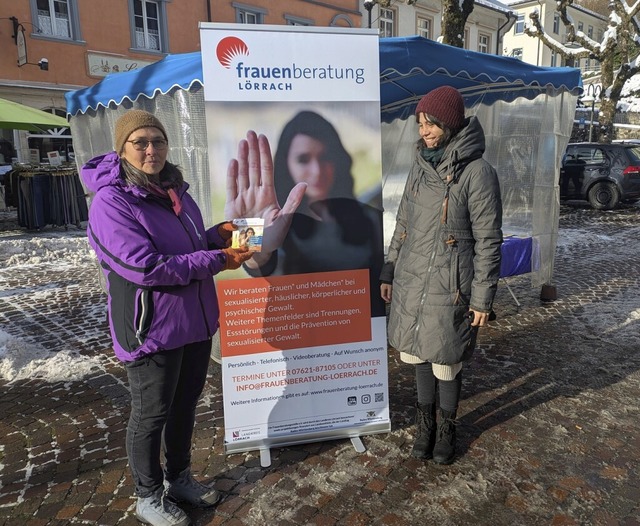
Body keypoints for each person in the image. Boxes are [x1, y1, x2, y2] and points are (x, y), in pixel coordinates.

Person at [81, 110, 253, 526]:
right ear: (122, 150)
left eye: (157, 141)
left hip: (192, 322)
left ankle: (179, 479)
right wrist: (218, 258)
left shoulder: (174, 189)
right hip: (150, 328)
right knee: (151, 412)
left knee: (183, 407)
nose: (150, 150)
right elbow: (145, 267)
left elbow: (188, 244)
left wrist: (218, 234)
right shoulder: (112, 201)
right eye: (139, 142)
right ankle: (147, 495)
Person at [379, 86, 502, 465]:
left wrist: (482, 298)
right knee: (418, 354)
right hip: (414, 277)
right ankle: (425, 425)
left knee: (446, 359)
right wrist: (390, 268)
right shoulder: (420, 164)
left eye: (430, 123)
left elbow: (488, 240)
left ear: (448, 123)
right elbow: (403, 223)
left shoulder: (478, 173)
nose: (423, 131)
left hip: (452, 283)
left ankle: (447, 427)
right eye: (419, 123)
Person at [225, 110, 385, 316]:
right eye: (303, 159)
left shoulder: (369, 217)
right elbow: (255, 265)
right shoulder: (274, 219)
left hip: (360, 335)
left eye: (325, 157)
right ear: (286, 164)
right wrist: (250, 242)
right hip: (301, 332)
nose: (317, 170)